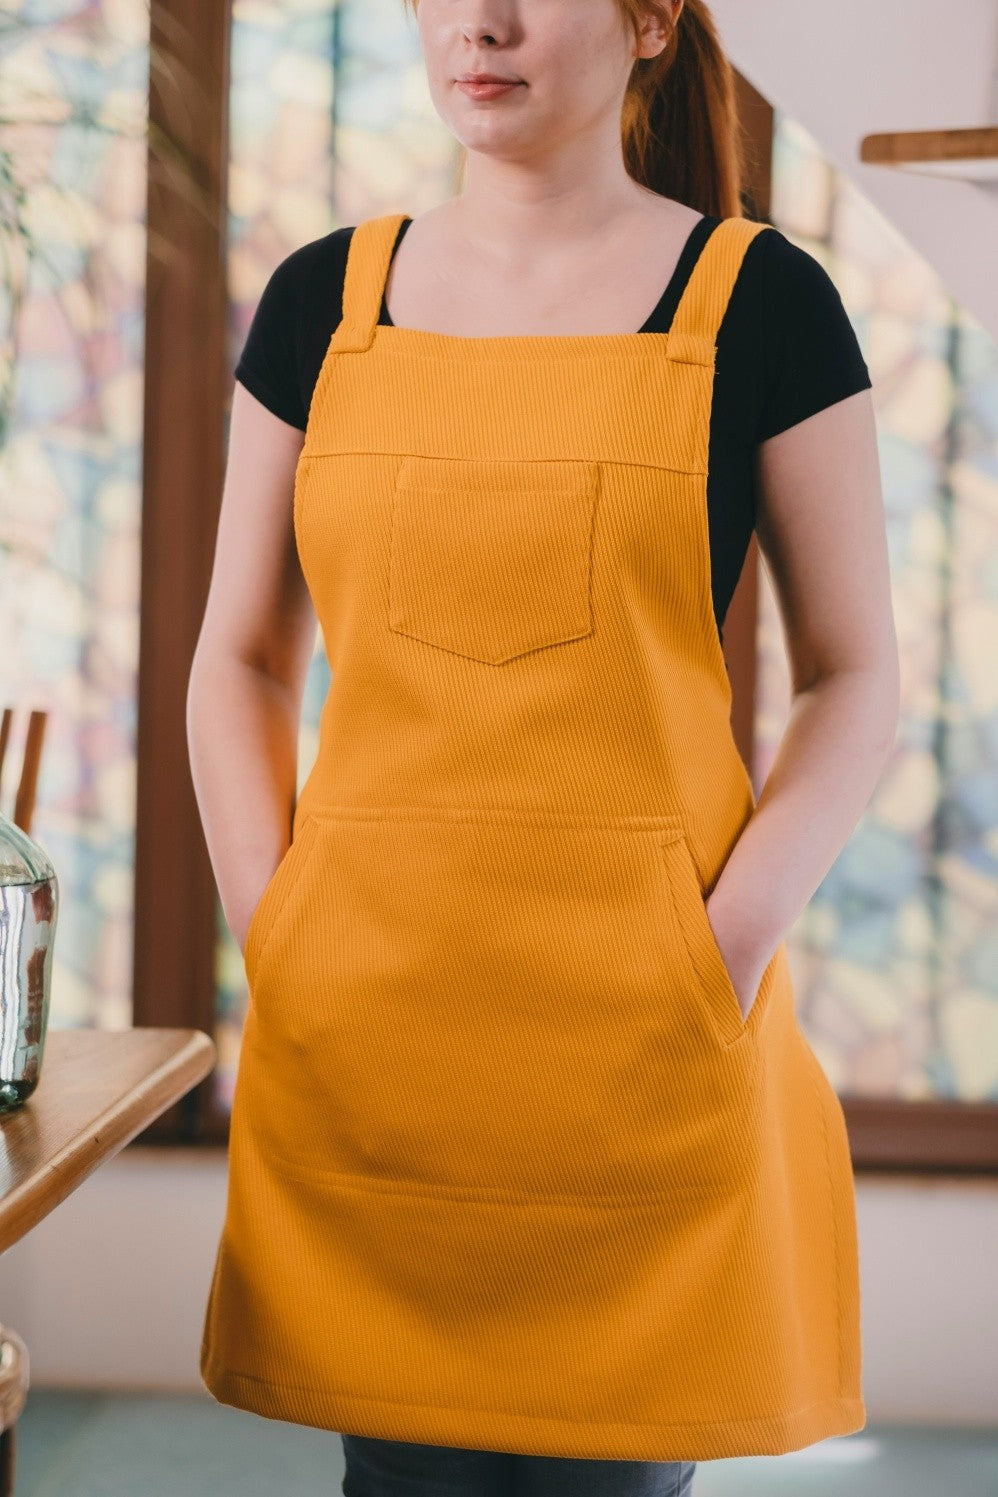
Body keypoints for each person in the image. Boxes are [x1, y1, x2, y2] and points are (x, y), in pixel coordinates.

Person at [189, 0, 899, 1492]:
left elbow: (854, 677)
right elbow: (240, 655)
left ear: (649, 21)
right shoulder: (322, 302)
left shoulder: (761, 303)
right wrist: (278, 928)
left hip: (640, 1044)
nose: (483, 22)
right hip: (373, 1034)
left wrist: (725, 945)